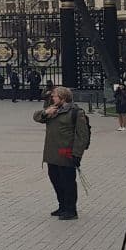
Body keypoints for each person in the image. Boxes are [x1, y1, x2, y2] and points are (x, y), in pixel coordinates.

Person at [34, 85, 90, 222]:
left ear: (63, 98)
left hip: (66, 153)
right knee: (56, 180)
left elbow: (82, 136)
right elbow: (36, 117)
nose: (52, 98)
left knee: (68, 182)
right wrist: (46, 113)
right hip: (52, 154)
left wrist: (77, 154)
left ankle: (71, 209)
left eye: (54, 96)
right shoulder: (53, 110)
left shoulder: (76, 112)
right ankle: (62, 206)